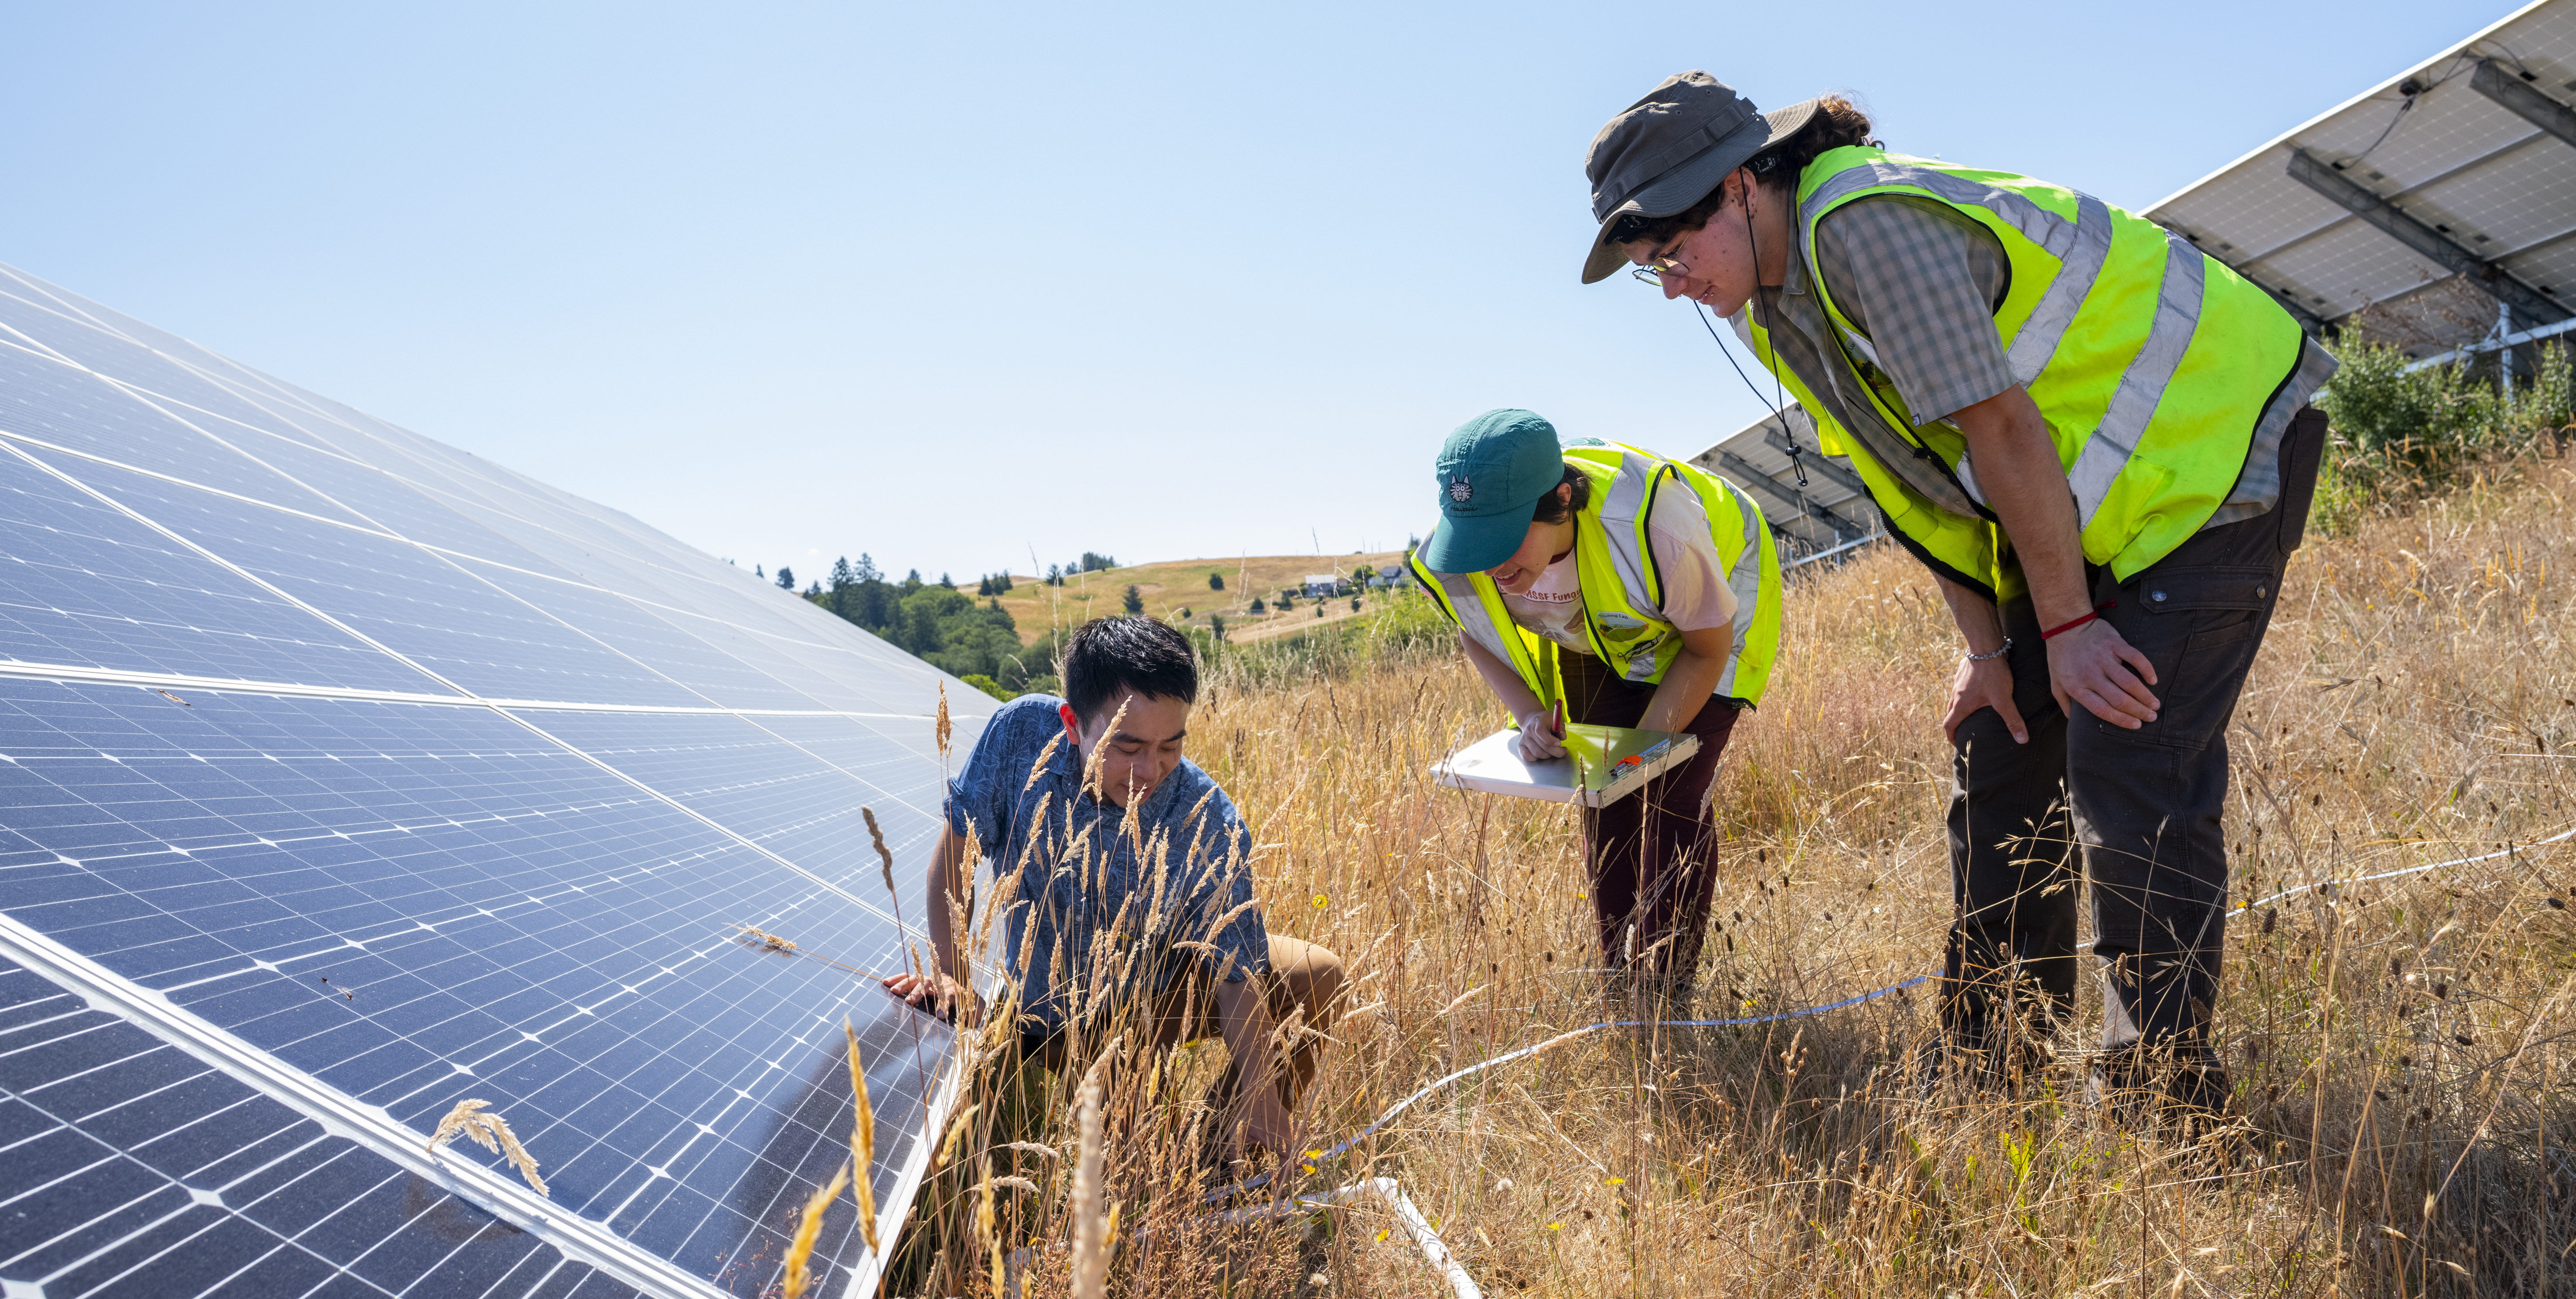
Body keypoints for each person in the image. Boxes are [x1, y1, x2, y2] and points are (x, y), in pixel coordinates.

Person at [1579, 73, 2332, 1116]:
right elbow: (1913, 486)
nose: (1671, 287)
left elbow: (2003, 427)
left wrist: (2069, 626)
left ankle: (2164, 1101)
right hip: (2081, 511)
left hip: (2209, 458)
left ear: (1741, 185)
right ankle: (1996, 1068)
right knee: (1999, 745)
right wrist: (1991, 653)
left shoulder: (1865, 228)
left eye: (1673, 251)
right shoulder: (1770, 310)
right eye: (1649, 268)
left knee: (2127, 758)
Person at [884, 615, 1343, 1166]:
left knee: (1317, 974)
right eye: (1128, 747)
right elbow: (958, 848)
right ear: (1073, 724)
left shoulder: (1208, 819)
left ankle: (1224, 1155)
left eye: (1170, 746)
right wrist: (951, 973)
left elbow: (1235, 971)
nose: (1150, 770)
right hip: (1041, 1013)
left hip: (1149, 1002)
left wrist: (1262, 1089)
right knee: (1126, 1160)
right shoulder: (1019, 736)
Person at [1407, 410, 1780, 995]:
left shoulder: (1654, 524)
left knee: (1671, 795)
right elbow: (1473, 633)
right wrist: (1531, 716)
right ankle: (1622, 989)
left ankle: (1664, 998)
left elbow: (1705, 650)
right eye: (1480, 544)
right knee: (1605, 797)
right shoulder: (1462, 549)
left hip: (1706, 618)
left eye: (1506, 540)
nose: (1492, 565)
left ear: (1561, 500)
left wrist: (1642, 753)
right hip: (1602, 635)